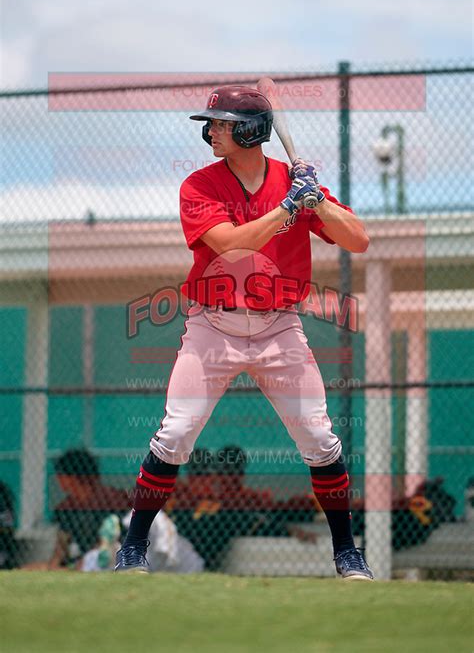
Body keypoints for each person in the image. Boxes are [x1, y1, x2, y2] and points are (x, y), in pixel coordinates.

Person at [116, 85, 373, 580]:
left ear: (251, 130)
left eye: (222, 123)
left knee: (320, 438)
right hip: (212, 326)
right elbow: (231, 248)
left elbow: (358, 239)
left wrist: (316, 201)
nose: (211, 130)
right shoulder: (199, 185)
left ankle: (347, 554)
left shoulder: (292, 184)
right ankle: (133, 547)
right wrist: (287, 210)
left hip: (280, 327)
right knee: (177, 433)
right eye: (212, 123)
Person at [37, 448, 130, 569]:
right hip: (85, 561)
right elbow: (61, 547)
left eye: (61, 474)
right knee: (31, 568)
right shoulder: (66, 507)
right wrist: (54, 566)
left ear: (74, 477)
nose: (57, 478)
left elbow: (112, 541)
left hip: (116, 557)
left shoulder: (111, 499)